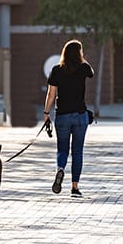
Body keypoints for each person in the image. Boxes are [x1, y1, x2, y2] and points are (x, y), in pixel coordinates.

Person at [43, 40, 94, 198]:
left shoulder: (57, 70)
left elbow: (51, 94)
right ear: (79, 53)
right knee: (77, 152)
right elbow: (91, 71)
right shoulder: (83, 68)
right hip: (80, 115)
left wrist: (46, 113)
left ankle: (60, 168)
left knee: (62, 149)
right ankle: (75, 187)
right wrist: (82, 58)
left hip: (62, 116)